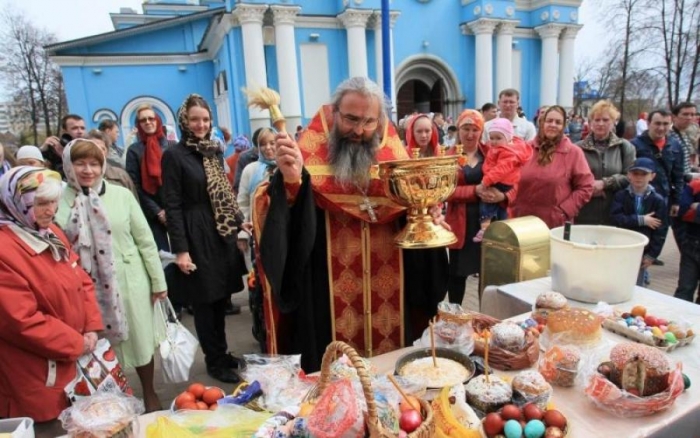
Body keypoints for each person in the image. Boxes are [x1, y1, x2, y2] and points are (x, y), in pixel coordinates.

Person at [255, 77, 449, 372]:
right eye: (351, 119)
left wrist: (425, 211)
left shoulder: (393, 156)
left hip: (391, 288)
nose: (359, 130)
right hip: (327, 291)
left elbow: (413, 206)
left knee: (391, 371)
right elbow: (285, 223)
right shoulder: (306, 156)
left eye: (369, 121)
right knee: (334, 373)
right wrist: (293, 182)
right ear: (335, 113)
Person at [55, 139, 167, 412]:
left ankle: (149, 391)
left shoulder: (121, 195)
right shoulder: (58, 201)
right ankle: (112, 399)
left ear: (103, 165)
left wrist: (158, 281)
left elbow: (145, 240)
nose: (88, 170)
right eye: (80, 163)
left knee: (139, 340)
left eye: (94, 163)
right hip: (85, 286)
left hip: (130, 281)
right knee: (97, 346)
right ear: (69, 166)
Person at [0, 166, 102, 424]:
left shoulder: (49, 232)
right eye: (41, 203)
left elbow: (81, 279)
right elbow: (20, 320)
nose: (51, 210)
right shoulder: (5, 249)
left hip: (71, 360)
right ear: (15, 202)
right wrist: (76, 343)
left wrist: (91, 327)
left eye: (54, 202)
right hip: (36, 373)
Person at [162, 94, 247, 383]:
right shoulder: (174, 155)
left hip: (219, 231)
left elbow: (223, 191)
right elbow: (172, 204)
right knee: (204, 300)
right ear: (184, 120)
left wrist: (238, 220)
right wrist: (181, 250)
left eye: (206, 119)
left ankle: (222, 353)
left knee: (221, 296)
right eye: (195, 119)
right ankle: (214, 361)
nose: (200, 124)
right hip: (195, 231)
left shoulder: (213, 150)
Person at [444, 110, 516, 305]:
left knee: (488, 274)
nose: (469, 134)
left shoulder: (493, 151)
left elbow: (515, 181)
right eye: (465, 129)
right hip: (461, 222)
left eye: (475, 129)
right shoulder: (448, 156)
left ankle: (485, 316)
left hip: (490, 222)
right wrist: (473, 191)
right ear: (458, 129)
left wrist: (504, 195)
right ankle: (455, 316)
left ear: (481, 131)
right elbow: (444, 191)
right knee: (457, 275)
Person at [402, 113, 449, 340]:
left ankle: (435, 325)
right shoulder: (402, 157)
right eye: (418, 131)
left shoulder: (440, 156)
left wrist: (437, 210)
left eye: (427, 131)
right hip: (413, 231)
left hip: (434, 228)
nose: (423, 135)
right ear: (411, 133)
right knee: (417, 282)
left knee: (436, 279)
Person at [511, 105, 594, 228]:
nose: (553, 125)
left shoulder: (573, 153)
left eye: (558, 122)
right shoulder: (526, 149)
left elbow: (586, 187)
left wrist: (564, 211)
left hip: (554, 225)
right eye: (549, 121)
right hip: (522, 222)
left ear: (563, 126)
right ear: (542, 123)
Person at [631, 109, 684, 259]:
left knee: (660, 231)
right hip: (640, 198)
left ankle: (651, 258)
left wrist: (677, 201)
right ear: (648, 124)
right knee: (639, 232)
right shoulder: (634, 145)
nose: (661, 128)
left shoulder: (674, 146)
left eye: (666, 124)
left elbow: (678, 175)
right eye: (657, 123)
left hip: (664, 198)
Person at [576, 100, 636, 225]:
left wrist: (605, 183)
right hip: (584, 213)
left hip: (615, 212)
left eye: (605, 120)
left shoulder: (625, 147)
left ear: (614, 122)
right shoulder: (577, 148)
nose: (600, 124)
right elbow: (569, 178)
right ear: (590, 122)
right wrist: (589, 187)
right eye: (597, 120)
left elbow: (631, 177)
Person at [125, 105, 175, 251]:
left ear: (157, 120)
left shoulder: (172, 147)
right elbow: (135, 185)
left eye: (151, 118)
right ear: (139, 125)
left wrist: (172, 209)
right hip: (152, 213)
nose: (148, 122)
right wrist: (158, 212)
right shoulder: (134, 151)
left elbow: (180, 181)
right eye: (143, 120)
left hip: (176, 209)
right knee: (163, 257)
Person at [610, 157, 666, 286]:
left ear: (652, 176)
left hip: (643, 250)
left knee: (637, 283)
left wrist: (652, 254)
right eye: (635, 173)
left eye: (644, 174)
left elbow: (661, 230)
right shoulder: (621, 195)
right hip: (622, 246)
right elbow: (616, 218)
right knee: (617, 279)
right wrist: (641, 220)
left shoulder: (657, 200)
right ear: (629, 175)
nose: (639, 178)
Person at [473, 118, 531, 242]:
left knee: (486, 203)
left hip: (501, 182)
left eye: (498, 138)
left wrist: (486, 181)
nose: (494, 141)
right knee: (499, 209)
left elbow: (500, 169)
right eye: (492, 138)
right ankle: (501, 229)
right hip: (501, 181)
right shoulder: (499, 149)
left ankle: (484, 228)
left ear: (508, 139)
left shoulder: (508, 152)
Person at [237, 127, 277, 221]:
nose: (268, 147)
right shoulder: (250, 170)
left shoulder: (286, 168)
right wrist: (247, 228)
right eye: (263, 144)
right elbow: (243, 203)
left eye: (272, 143)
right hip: (256, 228)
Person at [87, 130, 138, 199]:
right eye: (93, 147)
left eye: (102, 148)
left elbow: (134, 204)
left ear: (107, 152)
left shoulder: (120, 175)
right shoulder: (79, 177)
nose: (97, 151)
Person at [674, 176, 700, 302]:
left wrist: (697, 208)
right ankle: (678, 321)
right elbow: (683, 212)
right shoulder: (694, 186)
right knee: (684, 289)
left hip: (691, 239)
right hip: (691, 243)